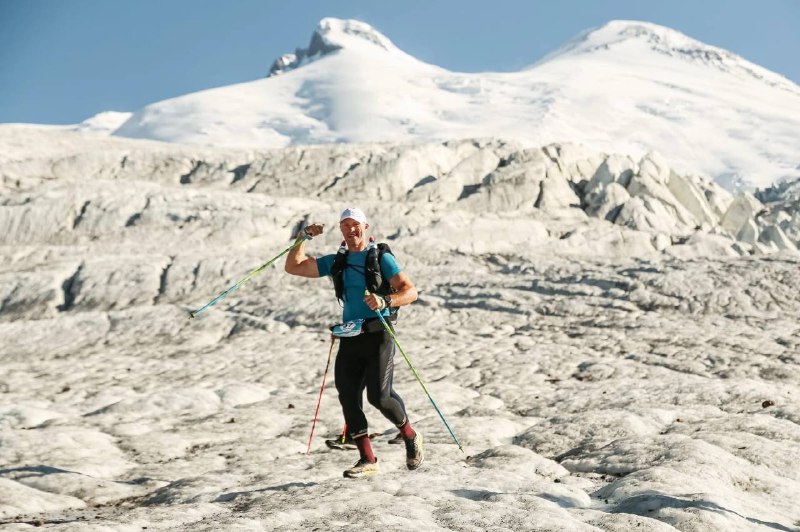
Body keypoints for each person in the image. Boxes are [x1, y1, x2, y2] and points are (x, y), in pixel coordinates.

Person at [284, 207, 424, 478]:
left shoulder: (381, 258)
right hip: (350, 335)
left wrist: (385, 300)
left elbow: (411, 291)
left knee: (379, 397)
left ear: (365, 227)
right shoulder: (338, 261)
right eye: (345, 225)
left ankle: (410, 435)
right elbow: (294, 267)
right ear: (341, 229)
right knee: (347, 395)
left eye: (355, 224)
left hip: (379, 333)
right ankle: (367, 459)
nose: (350, 229)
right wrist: (302, 238)